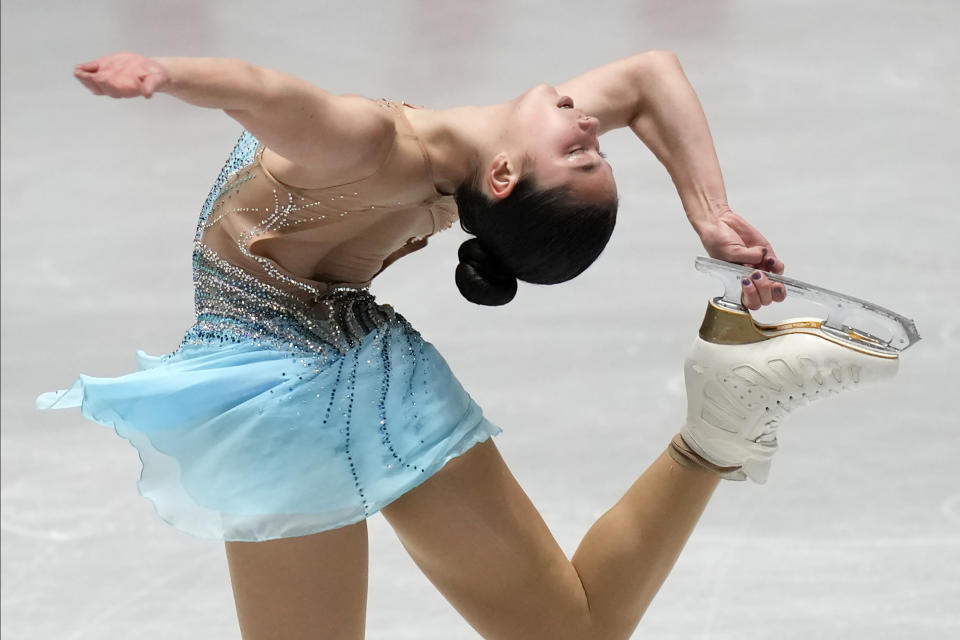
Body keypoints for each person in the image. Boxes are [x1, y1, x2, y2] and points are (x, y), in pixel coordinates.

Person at [37, 51, 894, 640]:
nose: (592, 128)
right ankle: (715, 428)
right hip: (370, 363)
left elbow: (264, 92)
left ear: (506, 178)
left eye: (580, 153)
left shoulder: (371, 144)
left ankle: (717, 429)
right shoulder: (467, 176)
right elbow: (647, 78)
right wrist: (709, 212)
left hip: (270, 398)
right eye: (595, 149)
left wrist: (168, 73)